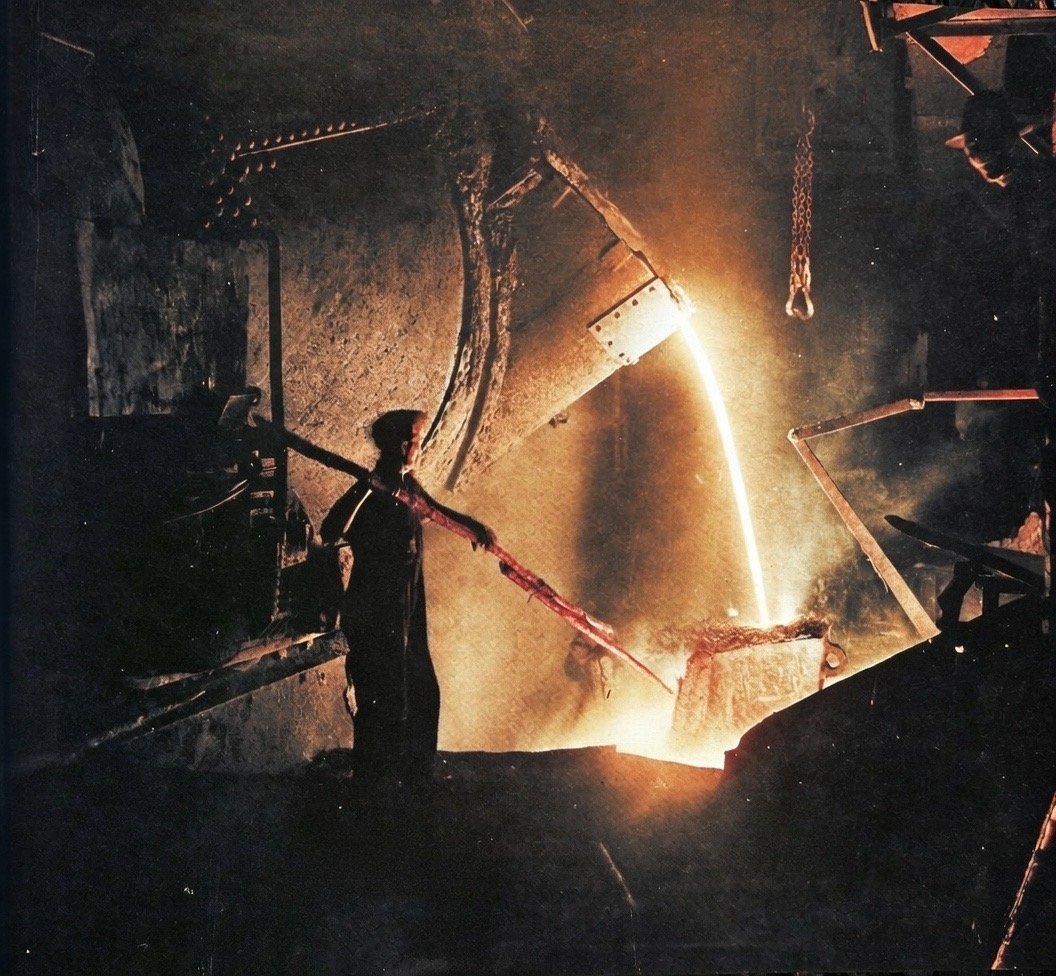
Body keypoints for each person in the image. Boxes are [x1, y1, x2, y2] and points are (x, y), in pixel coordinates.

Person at [319, 409, 494, 782]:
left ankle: (414, 775)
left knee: (420, 692)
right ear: (402, 445)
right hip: (375, 609)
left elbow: (433, 510)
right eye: (417, 439)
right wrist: (364, 490)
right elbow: (330, 530)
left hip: (408, 608)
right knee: (382, 695)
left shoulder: (407, 485)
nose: (420, 446)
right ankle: (373, 781)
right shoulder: (372, 488)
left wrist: (472, 527)